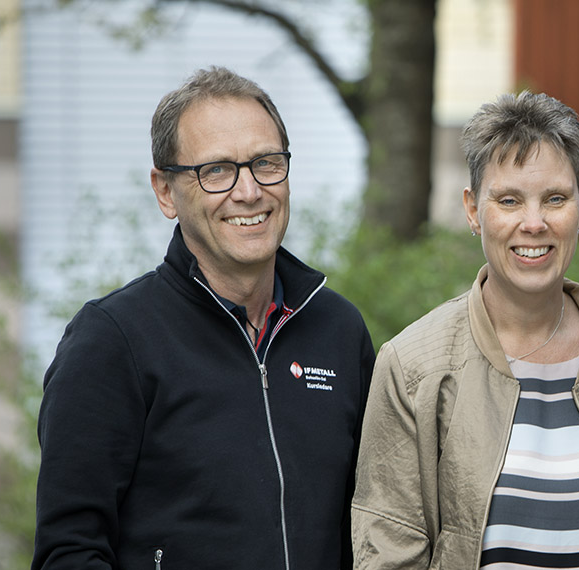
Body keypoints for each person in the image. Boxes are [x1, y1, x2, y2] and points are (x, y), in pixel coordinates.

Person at [349, 91, 579, 569]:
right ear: (473, 210)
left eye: (555, 199)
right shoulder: (414, 368)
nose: (534, 223)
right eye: (509, 200)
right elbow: (389, 554)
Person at [32, 66, 375, 569]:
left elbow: (374, 526)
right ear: (166, 191)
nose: (249, 191)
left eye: (266, 162)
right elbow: (69, 552)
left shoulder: (338, 330)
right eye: (216, 170)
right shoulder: (113, 342)